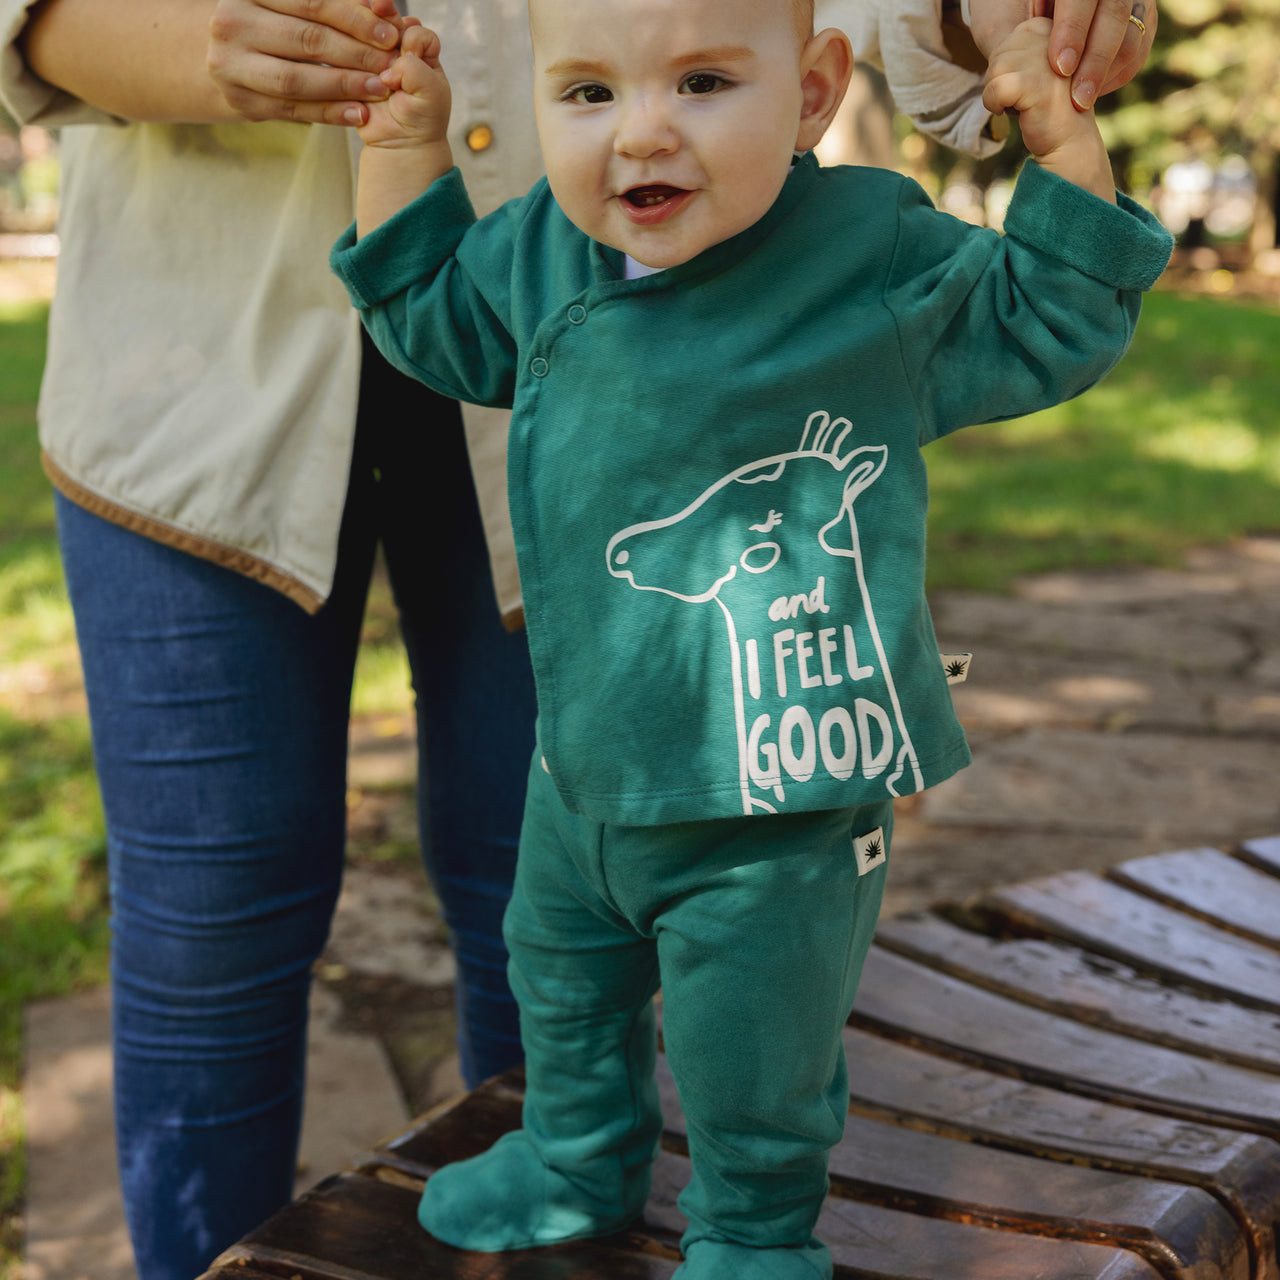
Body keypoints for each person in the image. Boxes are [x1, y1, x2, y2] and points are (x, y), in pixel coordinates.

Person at [0, 0, 1157, 1275]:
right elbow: (429, 309)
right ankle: (574, 1151)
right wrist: (402, 142)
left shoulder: (866, 248)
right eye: (588, 94)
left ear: (816, 88)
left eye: (704, 82)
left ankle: (753, 1227)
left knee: (749, 1036)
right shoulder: (543, 247)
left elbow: (1050, 314)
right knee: (550, 967)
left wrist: (1061, 150)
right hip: (586, 770)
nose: (641, 135)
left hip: (767, 782)